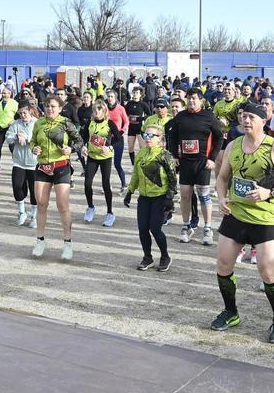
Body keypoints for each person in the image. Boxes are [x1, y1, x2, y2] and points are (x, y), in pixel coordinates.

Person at [211, 102, 274, 344]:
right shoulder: (233, 145)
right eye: (243, 116)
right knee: (223, 264)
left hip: (265, 218)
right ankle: (231, 312)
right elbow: (222, 178)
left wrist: (269, 193)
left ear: (263, 121)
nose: (246, 121)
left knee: (266, 269)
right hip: (236, 213)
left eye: (251, 117)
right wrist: (221, 198)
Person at [167, 88, 223, 246]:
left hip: (203, 162)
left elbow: (219, 137)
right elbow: (172, 136)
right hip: (185, 162)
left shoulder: (208, 116)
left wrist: (212, 158)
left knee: (203, 195)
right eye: (189, 98)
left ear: (201, 100)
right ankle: (186, 226)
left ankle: (207, 228)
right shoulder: (180, 116)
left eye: (194, 98)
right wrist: (174, 156)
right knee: (185, 194)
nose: (191, 101)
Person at [30, 95, 81, 259]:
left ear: (60, 108)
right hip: (43, 167)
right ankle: (40, 241)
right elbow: (32, 141)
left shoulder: (66, 123)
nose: (49, 109)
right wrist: (34, 148)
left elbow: (79, 141)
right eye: (47, 106)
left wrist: (71, 149)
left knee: (62, 205)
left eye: (53, 106)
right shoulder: (39, 123)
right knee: (41, 204)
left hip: (61, 167)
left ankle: (67, 243)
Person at [123, 124, 178, 271]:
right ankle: (147, 257)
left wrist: (169, 198)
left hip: (160, 197)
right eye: (145, 135)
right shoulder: (141, 153)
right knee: (142, 228)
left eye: (151, 135)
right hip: (144, 197)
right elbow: (136, 174)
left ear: (159, 138)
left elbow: (173, 179)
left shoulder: (165, 155)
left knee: (155, 229)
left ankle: (165, 256)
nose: (147, 138)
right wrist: (130, 191)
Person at [81, 99, 121, 227]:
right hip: (92, 156)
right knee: (87, 183)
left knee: (105, 184)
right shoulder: (89, 123)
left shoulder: (109, 123)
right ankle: (90, 207)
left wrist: (110, 147)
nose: (96, 112)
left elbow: (119, 139)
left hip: (105, 157)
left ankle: (110, 213)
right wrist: (83, 146)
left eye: (99, 110)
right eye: (94, 110)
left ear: (104, 111)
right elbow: (83, 137)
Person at [7, 100, 39, 226]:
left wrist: (27, 138)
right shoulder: (16, 124)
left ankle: (34, 216)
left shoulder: (37, 123)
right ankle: (22, 212)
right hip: (18, 161)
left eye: (25, 113)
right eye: (20, 113)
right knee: (17, 186)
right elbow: (8, 138)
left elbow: (41, 139)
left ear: (30, 111)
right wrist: (16, 136)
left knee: (34, 190)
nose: (22, 115)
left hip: (34, 162)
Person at [0, 85, 18, 174]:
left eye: (5, 93)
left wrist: (13, 122)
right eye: (2, 93)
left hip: (10, 128)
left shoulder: (14, 103)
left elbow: (18, 115)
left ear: (10, 94)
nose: (3, 95)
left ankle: (17, 166)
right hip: (2, 128)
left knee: (12, 148)